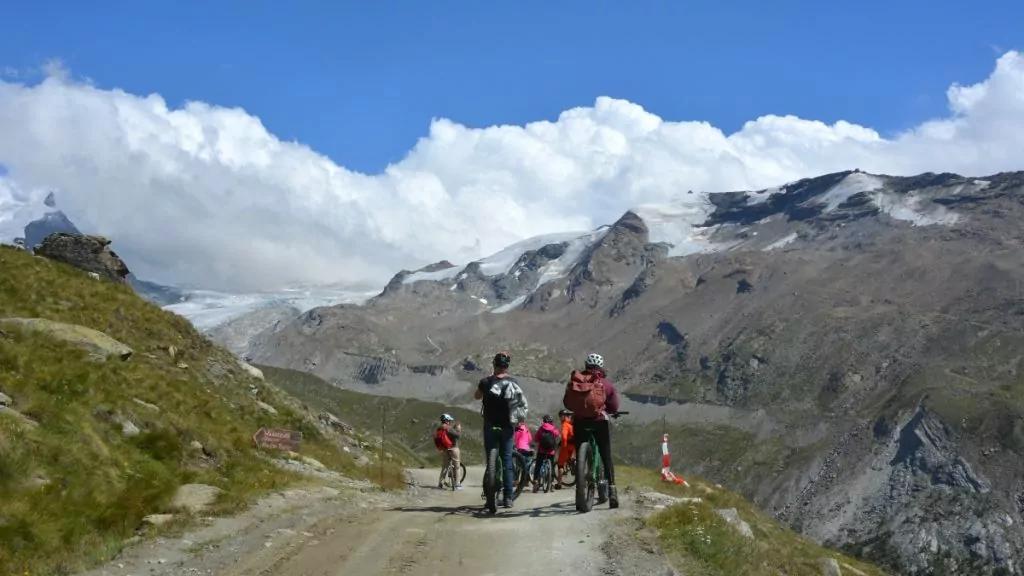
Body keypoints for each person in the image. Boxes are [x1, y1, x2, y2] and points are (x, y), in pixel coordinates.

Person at [562, 352, 621, 508]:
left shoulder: (576, 381)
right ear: (600, 366)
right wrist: (609, 410)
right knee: (606, 454)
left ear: (586, 366)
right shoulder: (606, 384)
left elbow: (567, 403)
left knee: (580, 444)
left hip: (580, 421)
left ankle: (580, 476)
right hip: (599, 421)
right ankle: (612, 491)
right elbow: (614, 406)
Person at [474, 350, 528, 508]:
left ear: (494, 364)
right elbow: (518, 402)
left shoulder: (486, 381)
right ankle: (508, 497)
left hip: (490, 424)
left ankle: (490, 490)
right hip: (507, 425)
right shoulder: (514, 381)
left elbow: (477, 396)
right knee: (507, 460)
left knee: (490, 457)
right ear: (507, 366)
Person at [532, 414, 561, 492]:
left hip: (541, 451)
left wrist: (534, 443)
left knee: (538, 465)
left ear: (544, 421)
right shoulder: (553, 428)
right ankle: (551, 484)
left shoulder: (541, 428)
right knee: (551, 465)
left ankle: (535, 482)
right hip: (551, 452)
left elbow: (535, 439)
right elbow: (558, 435)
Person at [435, 413, 462, 490]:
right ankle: (457, 485)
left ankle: (440, 484)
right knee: (457, 467)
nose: (449, 422)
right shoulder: (448, 428)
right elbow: (457, 436)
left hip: (445, 449)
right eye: (449, 420)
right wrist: (458, 429)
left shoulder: (439, 428)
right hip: (453, 448)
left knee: (445, 467)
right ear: (446, 420)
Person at [555, 409, 574, 489]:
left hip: (566, 447)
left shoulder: (565, 424)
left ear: (564, 416)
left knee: (561, 465)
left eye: (560, 416)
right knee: (571, 460)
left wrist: (563, 445)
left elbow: (563, 436)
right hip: (573, 447)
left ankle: (559, 484)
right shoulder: (572, 424)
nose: (559, 418)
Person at [514, 418, 533, 489]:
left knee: (518, 466)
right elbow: (530, 439)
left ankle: (516, 481)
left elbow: (516, 438)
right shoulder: (527, 429)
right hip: (527, 449)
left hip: (520, 449)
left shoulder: (518, 429)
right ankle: (527, 481)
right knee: (527, 466)